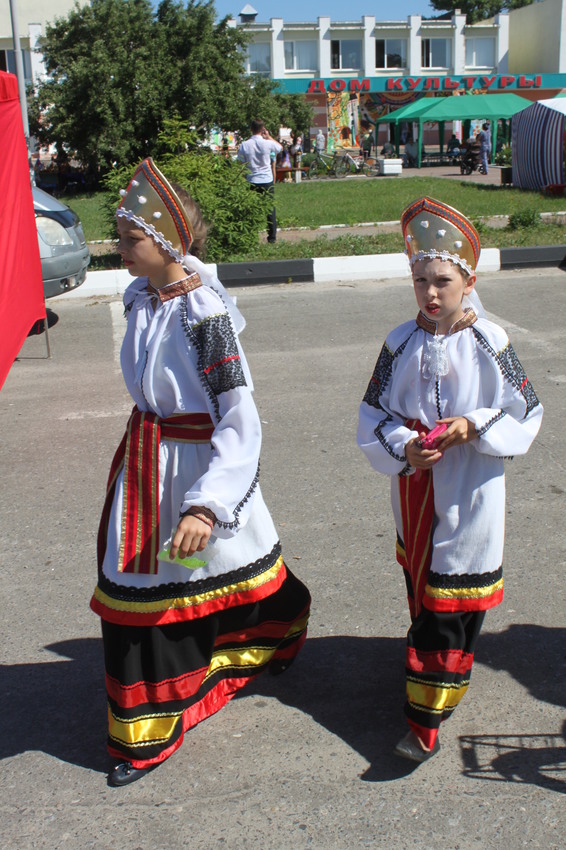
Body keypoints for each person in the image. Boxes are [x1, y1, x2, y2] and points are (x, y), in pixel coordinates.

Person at [91, 158, 311, 786]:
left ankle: (151, 727)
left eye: (130, 237)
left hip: (193, 464)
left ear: (168, 240)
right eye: (121, 235)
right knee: (166, 579)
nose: (120, 247)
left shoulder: (203, 316)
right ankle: (273, 626)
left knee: (175, 582)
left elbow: (240, 418)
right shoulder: (142, 296)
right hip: (145, 461)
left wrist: (206, 502)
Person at [357, 196, 542, 763]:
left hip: (471, 490)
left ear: (469, 280)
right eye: (420, 281)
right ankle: (437, 682)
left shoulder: (492, 341)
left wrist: (473, 423)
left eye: (442, 280)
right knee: (426, 593)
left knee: (454, 603)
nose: (431, 293)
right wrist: (405, 447)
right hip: (416, 490)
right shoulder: (398, 342)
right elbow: (372, 414)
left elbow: (525, 410)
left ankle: (425, 717)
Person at [237, 119, 282, 243]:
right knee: (269, 209)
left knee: (251, 209)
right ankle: (272, 237)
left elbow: (240, 163)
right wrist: (269, 137)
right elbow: (280, 148)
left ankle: (251, 235)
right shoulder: (268, 144)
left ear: (251, 129)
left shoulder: (245, 145)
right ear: (262, 129)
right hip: (267, 179)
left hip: (252, 179)